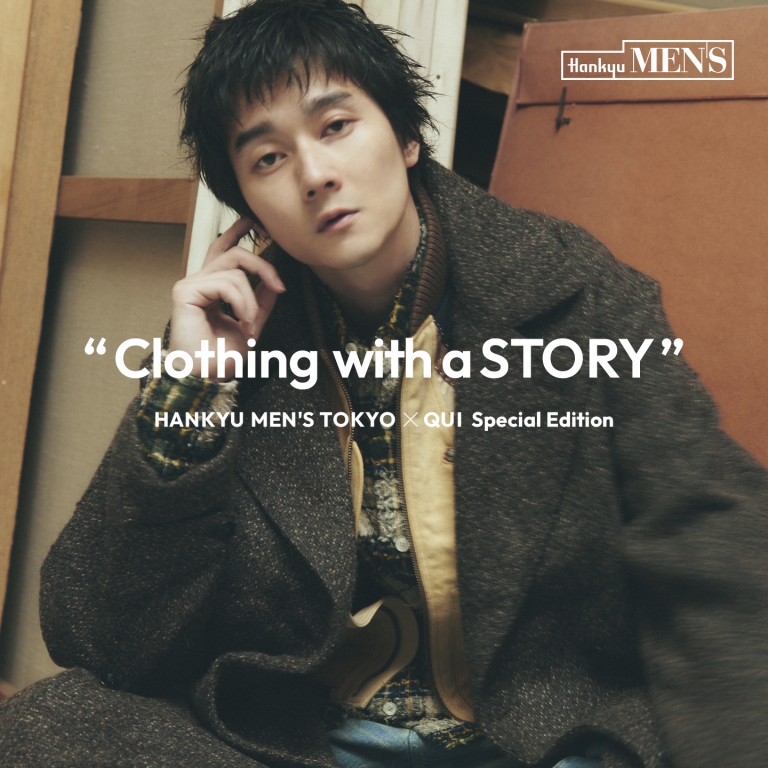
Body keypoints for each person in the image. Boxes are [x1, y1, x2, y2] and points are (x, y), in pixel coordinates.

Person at [1, 1, 766, 766]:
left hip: (539, 740)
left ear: (405, 137)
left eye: (335, 126)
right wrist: (192, 392)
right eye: (267, 159)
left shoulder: (576, 291)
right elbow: (104, 642)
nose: (315, 175)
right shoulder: (235, 339)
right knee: (47, 725)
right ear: (246, 207)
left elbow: (708, 528)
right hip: (318, 736)